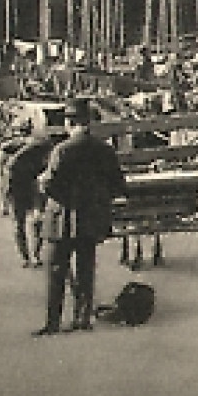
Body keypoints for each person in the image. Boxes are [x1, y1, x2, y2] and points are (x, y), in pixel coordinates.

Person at [34, 97, 128, 336]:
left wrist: (51, 190)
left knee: (56, 271)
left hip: (61, 219)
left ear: (69, 122)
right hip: (90, 218)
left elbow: (49, 185)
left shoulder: (61, 150)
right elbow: (118, 185)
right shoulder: (105, 150)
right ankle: (82, 319)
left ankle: (53, 323)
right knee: (86, 268)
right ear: (89, 122)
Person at [4, 127, 61, 268]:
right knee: (19, 222)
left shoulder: (52, 151)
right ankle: (26, 257)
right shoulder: (36, 148)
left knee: (38, 219)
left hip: (34, 182)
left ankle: (35, 255)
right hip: (17, 182)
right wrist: (8, 189)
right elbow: (11, 166)